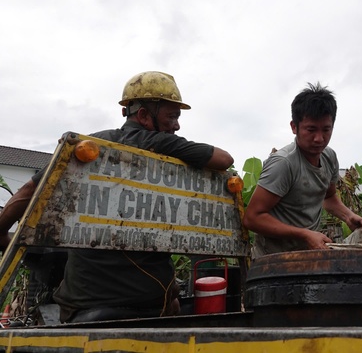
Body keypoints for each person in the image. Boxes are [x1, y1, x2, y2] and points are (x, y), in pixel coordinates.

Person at [0, 71, 234, 323]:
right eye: (172, 117)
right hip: (152, 304)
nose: (176, 126)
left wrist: (2, 231)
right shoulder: (163, 145)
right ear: (144, 115)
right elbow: (224, 159)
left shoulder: (92, 145)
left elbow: (28, 191)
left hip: (84, 303)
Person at [243, 82, 362, 259]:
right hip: (272, 260)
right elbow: (252, 218)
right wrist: (304, 234)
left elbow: (329, 197)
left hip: (308, 256)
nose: (319, 138)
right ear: (294, 127)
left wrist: (348, 216)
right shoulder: (284, 163)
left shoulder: (329, 157)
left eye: (326, 129)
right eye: (311, 130)